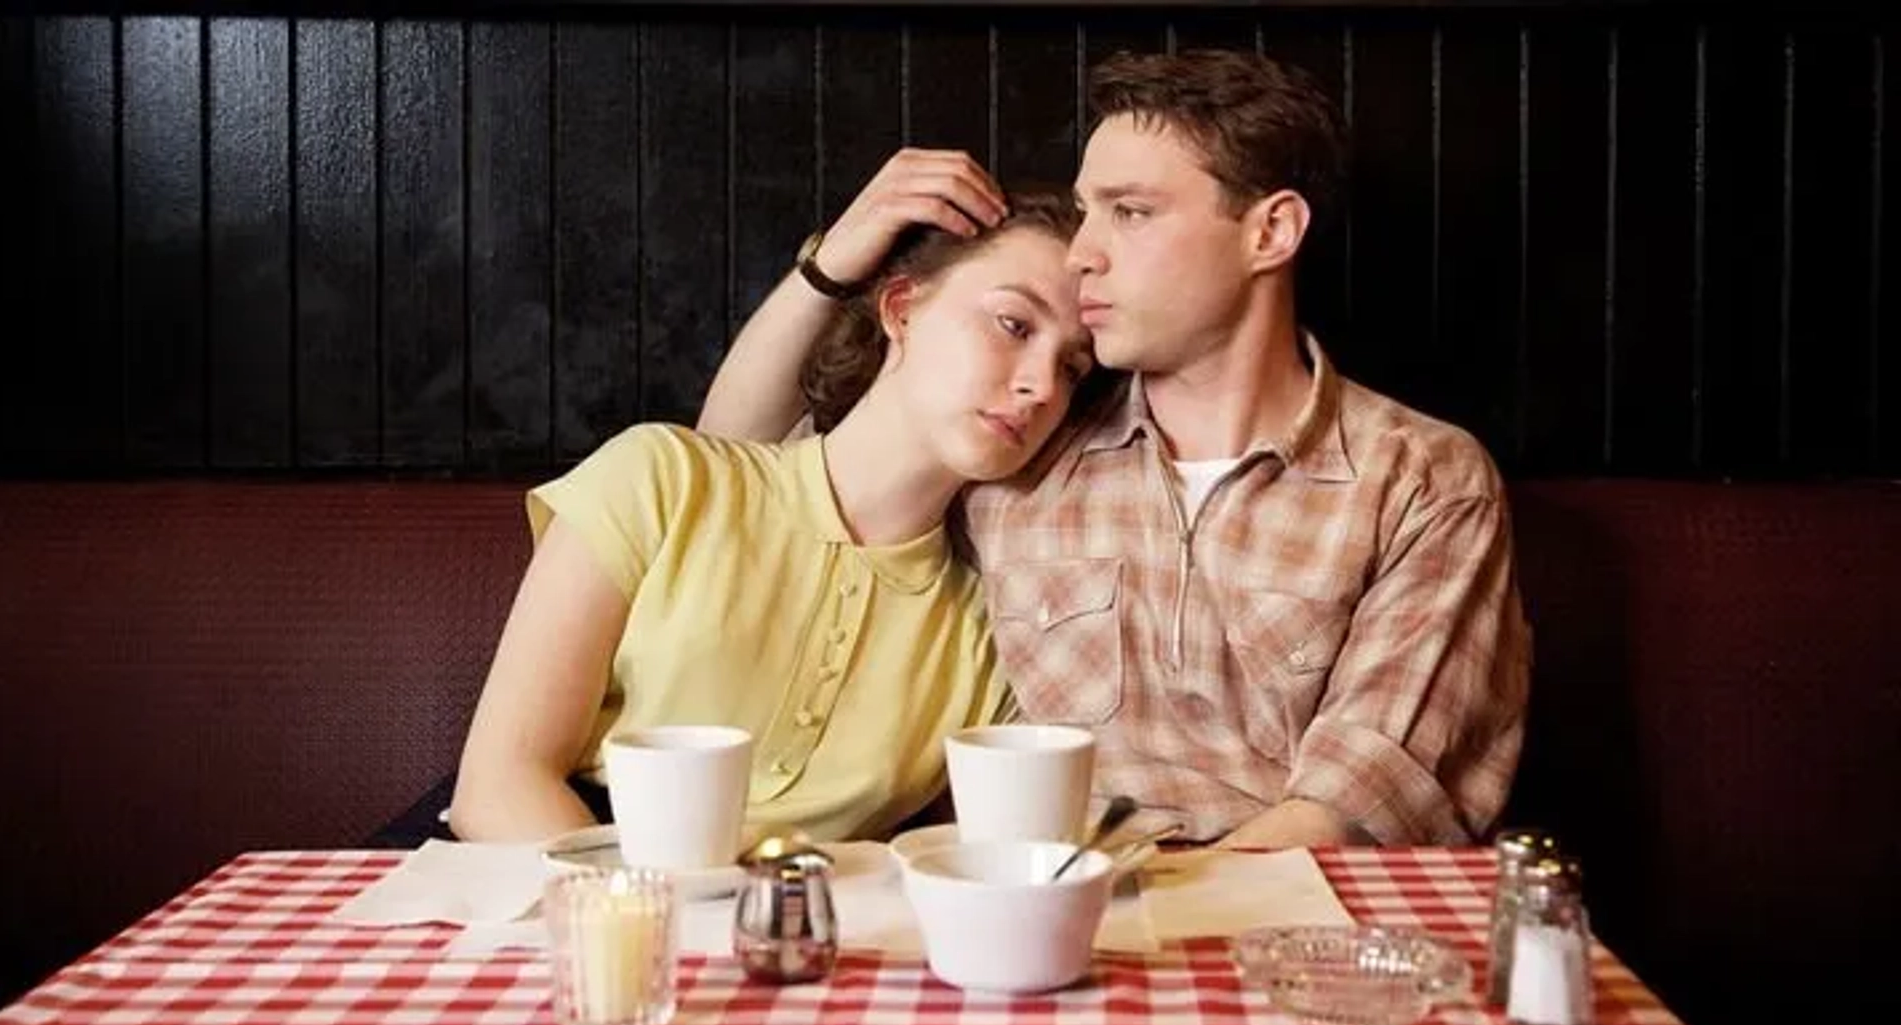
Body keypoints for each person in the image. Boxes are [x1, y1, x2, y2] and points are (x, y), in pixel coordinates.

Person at [697, 49, 1533, 850]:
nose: (1084, 252)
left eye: (1129, 212)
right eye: (1087, 210)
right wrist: (836, 259)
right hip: (1067, 917)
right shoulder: (1025, 442)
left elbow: (1355, 802)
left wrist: (1177, 922)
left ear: (1270, 232)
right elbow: (737, 472)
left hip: (1298, 919)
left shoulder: (1418, 476)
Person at [447, 189, 1095, 844]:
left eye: (1073, 366)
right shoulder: (660, 477)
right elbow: (499, 787)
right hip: (534, 880)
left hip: (789, 925)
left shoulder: (989, 631)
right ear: (902, 309)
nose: (1041, 385)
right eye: (1014, 325)